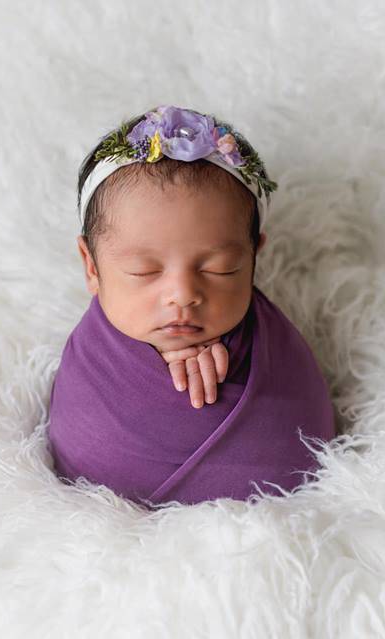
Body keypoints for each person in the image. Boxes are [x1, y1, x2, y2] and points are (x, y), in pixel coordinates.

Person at [47, 104, 336, 508]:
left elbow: (302, 434)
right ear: (92, 267)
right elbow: (79, 441)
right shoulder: (92, 364)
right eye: (144, 270)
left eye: (220, 269)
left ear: (254, 258)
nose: (182, 295)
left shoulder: (275, 348)